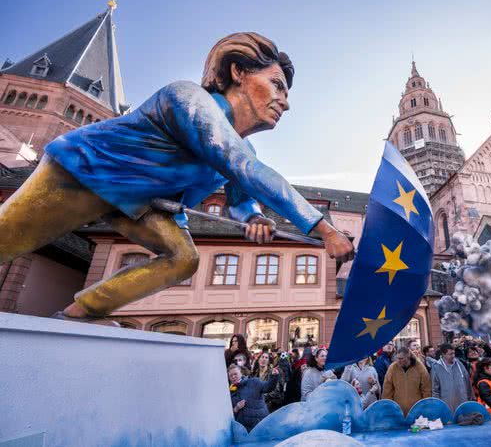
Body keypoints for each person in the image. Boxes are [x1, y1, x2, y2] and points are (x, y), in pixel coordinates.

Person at [4, 32, 355, 326]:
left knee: (181, 258)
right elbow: (243, 168)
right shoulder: (189, 99)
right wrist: (325, 230)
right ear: (238, 72)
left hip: (145, 204)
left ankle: (82, 313)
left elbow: (241, 200)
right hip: (86, 171)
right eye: (277, 85)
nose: (285, 102)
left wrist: (255, 218)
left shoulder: (243, 150)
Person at [228, 363, 279, 432]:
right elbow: (229, 414)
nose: (233, 377)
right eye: (231, 376)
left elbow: (268, 387)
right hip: (246, 430)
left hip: (261, 424)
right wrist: (237, 408)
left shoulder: (254, 382)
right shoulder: (229, 392)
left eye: (235, 374)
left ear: (241, 373)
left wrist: (274, 376)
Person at [382, 347, 432, 415]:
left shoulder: (420, 367)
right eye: (397, 358)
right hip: (398, 410)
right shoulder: (393, 368)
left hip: (416, 410)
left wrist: (426, 407)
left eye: (401, 359)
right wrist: (387, 408)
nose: (398, 361)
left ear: (408, 357)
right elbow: (387, 390)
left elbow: (426, 389)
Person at [430, 343, 474, 412]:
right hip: (447, 405)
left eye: (454, 353)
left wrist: (471, 398)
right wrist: (437, 405)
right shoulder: (436, 367)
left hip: (463, 403)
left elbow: (467, 382)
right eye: (450, 354)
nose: (453, 356)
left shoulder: (459, 364)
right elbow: (435, 389)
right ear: (443, 354)